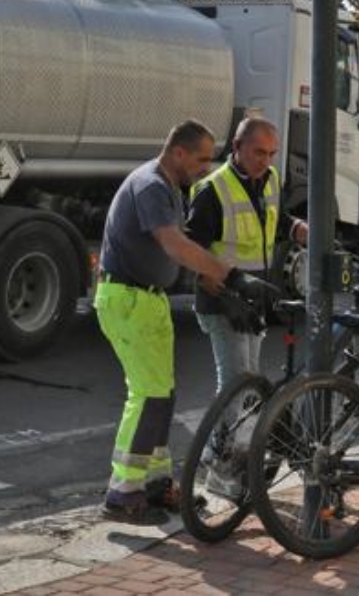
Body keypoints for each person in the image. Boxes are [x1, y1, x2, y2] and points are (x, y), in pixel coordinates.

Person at [95, 119, 233, 525]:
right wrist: (227, 273)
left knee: (162, 394)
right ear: (178, 153)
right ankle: (122, 493)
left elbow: (179, 251)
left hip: (148, 299)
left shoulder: (170, 186)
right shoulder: (152, 185)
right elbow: (172, 243)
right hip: (128, 298)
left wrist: (212, 277)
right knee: (149, 395)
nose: (206, 168)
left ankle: (155, 485)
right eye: (201, 159)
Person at [186, 116, 308, 395]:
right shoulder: (212, 189)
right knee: (235, 382)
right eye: (259, 152)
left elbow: (277, 221)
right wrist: (225, 299)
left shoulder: (271, 179)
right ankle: (220, 441)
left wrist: (304, 231)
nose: (266, 161)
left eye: (272, 154)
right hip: (223, 301)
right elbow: (191, 251)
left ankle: (247, 436)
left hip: (254, 297)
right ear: (237, 146)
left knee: (249, 379)